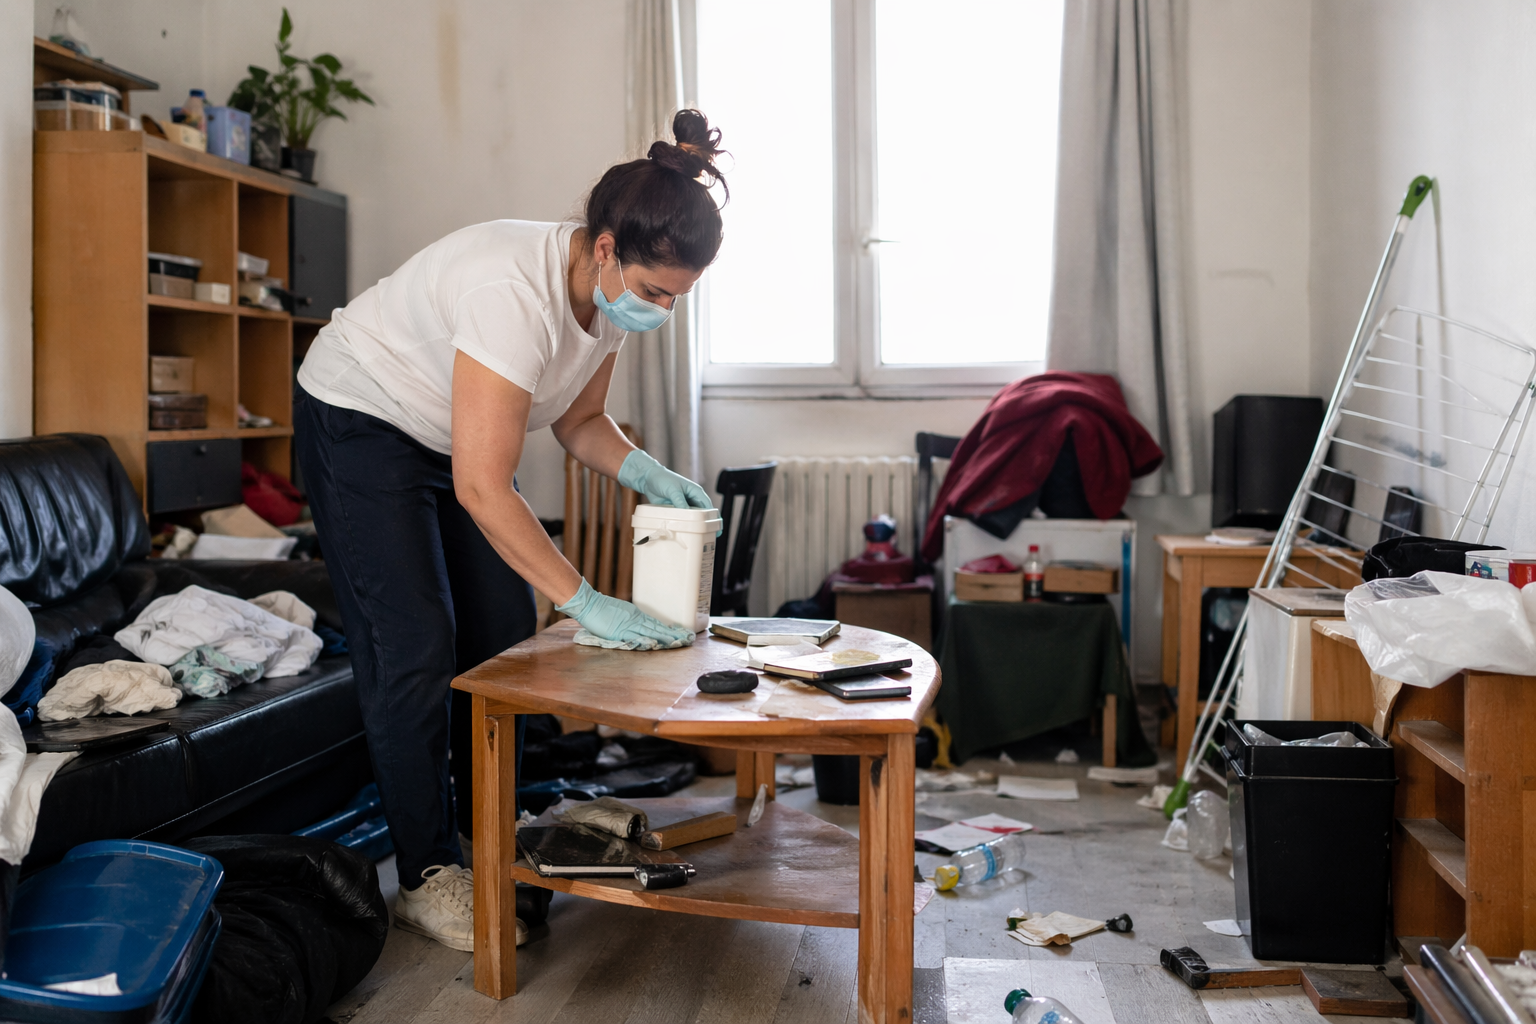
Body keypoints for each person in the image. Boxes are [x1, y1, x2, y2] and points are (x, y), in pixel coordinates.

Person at [293, 110, 728, 952]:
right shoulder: (510, 291)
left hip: (449, 435)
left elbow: (581, 421)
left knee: (498, 639)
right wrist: (586, 600)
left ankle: (496, 830)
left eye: (676, 300)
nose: (660, 311)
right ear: (604, 247)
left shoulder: (611, 298)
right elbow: (484, 485)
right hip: (361, 417)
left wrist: (649, 472)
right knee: (415, 645)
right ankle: (424, 874)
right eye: (655, 293)